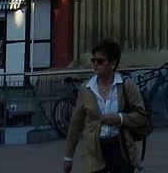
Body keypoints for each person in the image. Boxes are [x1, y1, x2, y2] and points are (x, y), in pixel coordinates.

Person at [63, 43, 149, 173]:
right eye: (94, 60)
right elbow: (76, 124)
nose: (95, 64)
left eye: (100, 61)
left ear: (113, 64)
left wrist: (120, 118)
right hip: (94, 149)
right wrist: (68, 157)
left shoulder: (125, 85)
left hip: (120, 147)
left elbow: (142, 115)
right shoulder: (86, 89)